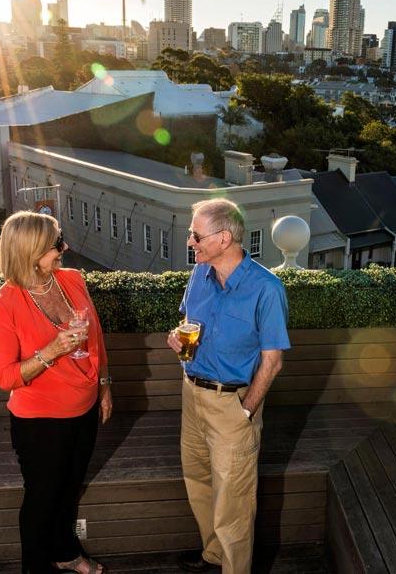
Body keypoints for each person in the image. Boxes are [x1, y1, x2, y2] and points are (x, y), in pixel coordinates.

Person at [0, 211, 113, 574]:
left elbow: (96, 339)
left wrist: (104, 386)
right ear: (31, 250)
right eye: (57, 244)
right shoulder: (3, 305)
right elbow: (6, 377)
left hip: (84, 409)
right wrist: (52, 351)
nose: (65, 248)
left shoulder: (71, 279)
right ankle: (36, 568)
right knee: (43, 498)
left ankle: (66, 552)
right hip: (40, 423)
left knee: (69, 489)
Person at [167, 199, 290, 573]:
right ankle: (213, 555)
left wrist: (247, 409)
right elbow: (188, 326)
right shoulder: (198, 276)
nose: (190, 241)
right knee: (199, 482)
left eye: (196, 235)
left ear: (224, 238)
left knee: (233, 504)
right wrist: (177, 340)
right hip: (193, 396)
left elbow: (273, 361)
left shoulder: (266, 289)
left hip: (232, 405)